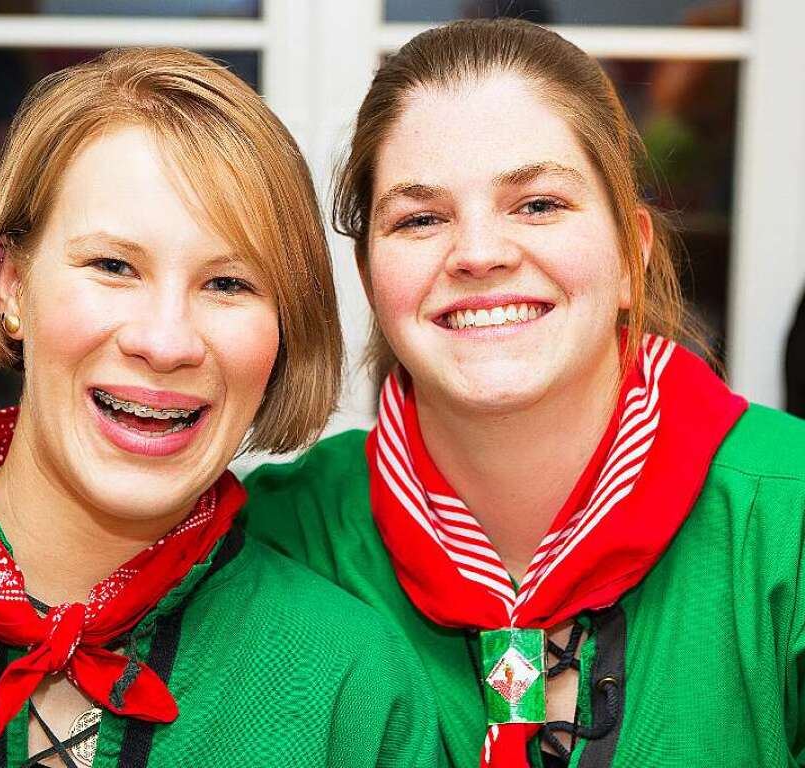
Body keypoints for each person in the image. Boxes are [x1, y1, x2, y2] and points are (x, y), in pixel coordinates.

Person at [0, 48, 441, 768]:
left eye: (226, 284)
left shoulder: (355, 685)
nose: (165, 341)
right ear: (10, 284)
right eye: (113, 267)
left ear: (283, 335)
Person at [244, 18, 805, 768]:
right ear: (372, 277)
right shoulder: (281, 537)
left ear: (633, 251)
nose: (478, 253)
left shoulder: (789, 519)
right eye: (420, 218)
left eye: (537, 204)